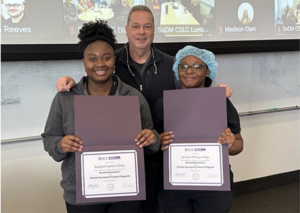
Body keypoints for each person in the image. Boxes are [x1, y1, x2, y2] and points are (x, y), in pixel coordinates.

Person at [55, 5, 233, 213]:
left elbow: (193, 96)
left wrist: (218, 91)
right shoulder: (111, 61)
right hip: (118, 162)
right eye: (136, 26)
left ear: (154, 30)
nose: (141, 32)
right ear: (127, 29)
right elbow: (93, 86)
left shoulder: (172, 65)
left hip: (163, 159)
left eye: (147, 26)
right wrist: (69, 82)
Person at [42, 19, 160, 213]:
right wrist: (60, 144)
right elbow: (49, 139)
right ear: (84, 62)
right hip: (81, 194)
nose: (100, 64)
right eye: (92, 58)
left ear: (114, 60)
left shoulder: (133, 97)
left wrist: (151, 138)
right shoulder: (66, 97)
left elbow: (151, 141)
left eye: (106, 58)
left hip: (125, 191)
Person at [158, 46, 244, 213]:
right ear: (177, 70)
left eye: (197, 66)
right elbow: (153, 142)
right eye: (183, 66)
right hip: (175, 183)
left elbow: (239, 143)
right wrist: (158, 140)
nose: (189, 71)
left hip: (213, 184)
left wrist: (232, 144)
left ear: (207, 71)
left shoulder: (220, 102)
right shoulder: (163, 104)